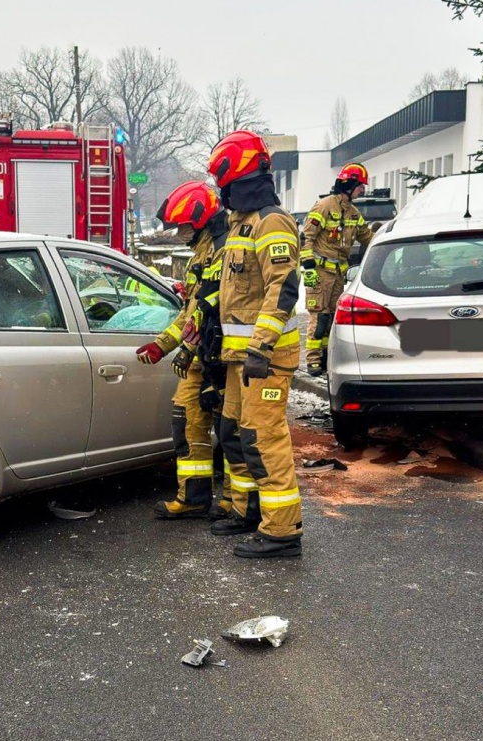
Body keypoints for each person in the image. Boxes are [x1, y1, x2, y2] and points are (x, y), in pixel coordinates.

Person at [205, 130, 303, 559]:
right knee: (235, 435)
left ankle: (282, 531)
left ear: (237, 176)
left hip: (266, 357)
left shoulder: (271, 221)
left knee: (264, 438)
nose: (220, 190)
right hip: (238, 357)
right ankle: (247, 510)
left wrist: (261, 346)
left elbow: (283, 287)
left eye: (223, 182)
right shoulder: (239, 222)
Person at [136, 181, 233, 521]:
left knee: (229, 432)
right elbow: (190, 313)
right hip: (199, 358)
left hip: (221, 358)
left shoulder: (226, 250)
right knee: (186, 422)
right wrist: (162, 345)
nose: (179, 233)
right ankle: (193, 498)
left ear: (202, 219)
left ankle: (233, 503)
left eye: (183, 226)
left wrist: (187, 350)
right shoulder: (202, 254)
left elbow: (214, 313)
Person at [299, 162, 376, 376]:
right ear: (350, 184)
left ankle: (325, 356)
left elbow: (367, 237)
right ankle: (313, 361)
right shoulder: (324, 206)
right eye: (361, 185)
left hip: (339, 274)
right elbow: (307, 238)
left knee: (332, 316)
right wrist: (308, 266)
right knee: (319, 315)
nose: (363, 190)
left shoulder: (353, 213)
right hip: (320, 273)